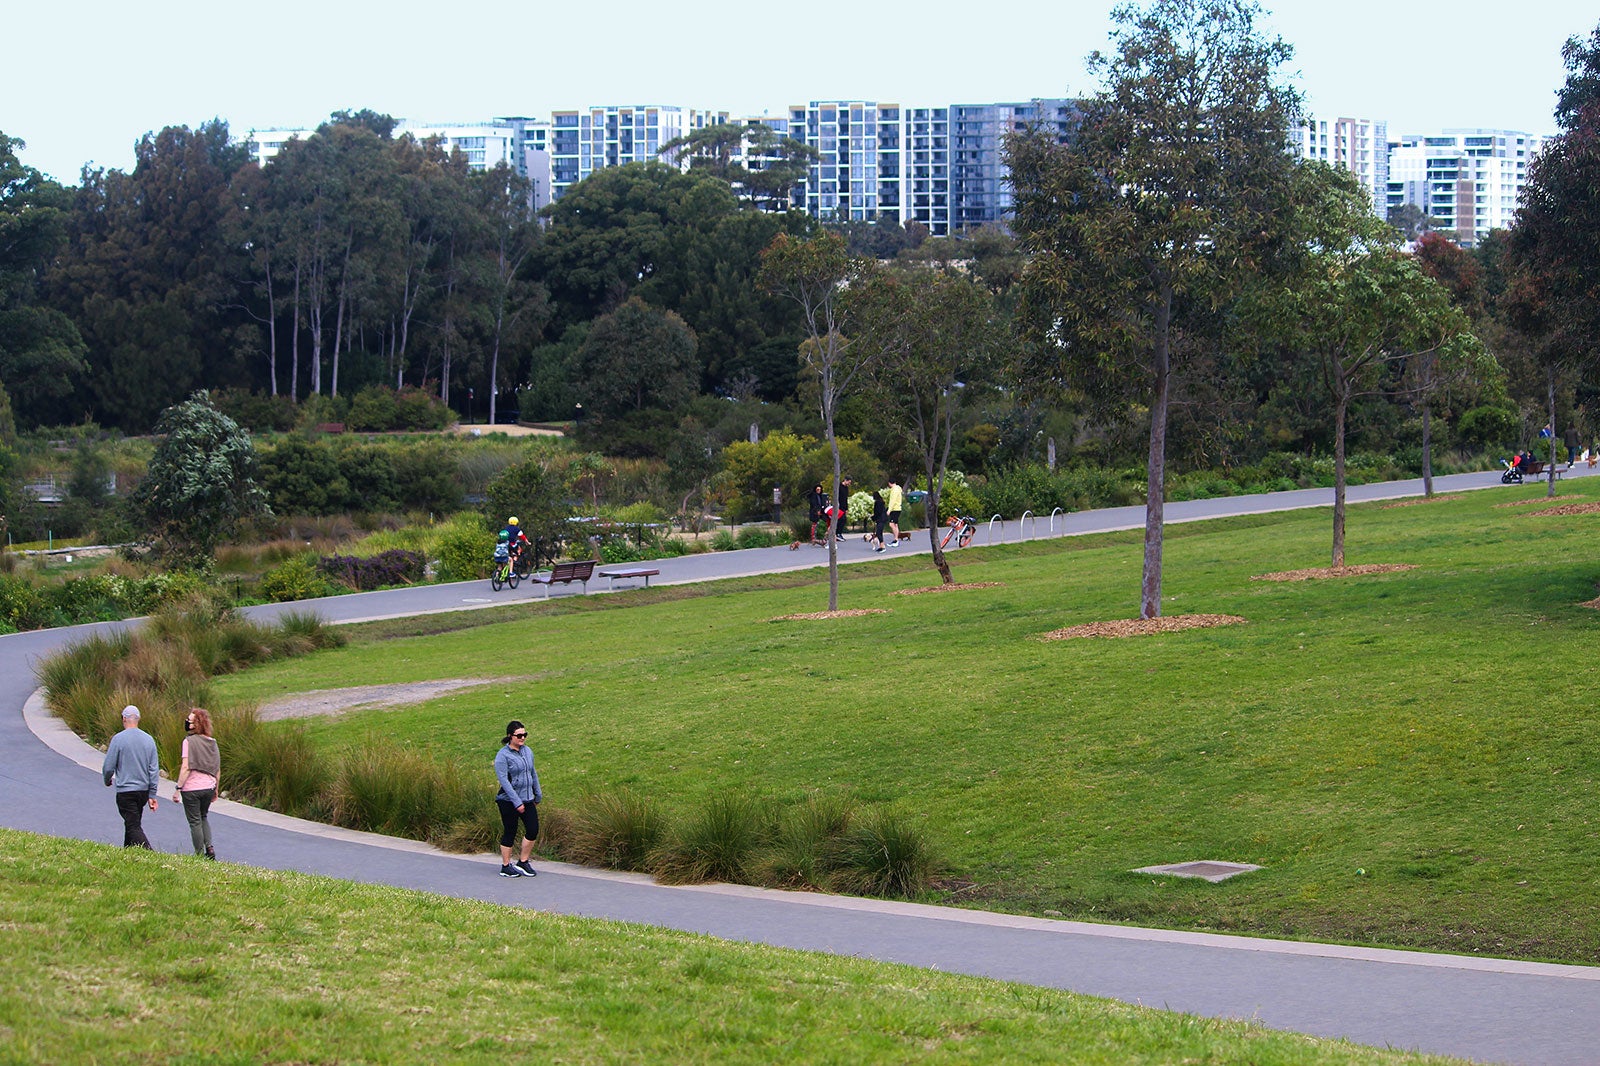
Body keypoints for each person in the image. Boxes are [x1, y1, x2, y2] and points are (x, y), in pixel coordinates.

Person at [102, 705, 159, 849]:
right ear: (138, 719)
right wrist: (152, 794)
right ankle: (128, 851)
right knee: (132, 822)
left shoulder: (118, 739)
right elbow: (153, 769)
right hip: (142, 791)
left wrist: (107, 779)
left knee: (133, 825)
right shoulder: (149, 740)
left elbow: (108, 766)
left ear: (124, 719)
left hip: (126, 791)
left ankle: (149, 853)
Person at [494, 720, 542, 878]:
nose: (522, 738)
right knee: (510, 831)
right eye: (519, 735)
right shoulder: (503, 756)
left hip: (527, 798)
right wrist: (517, 802)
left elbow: (532, 772)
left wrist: (537, 793)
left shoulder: (527, 751)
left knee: (533, 829)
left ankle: (523, 861)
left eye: (524, 735)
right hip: (508, 800)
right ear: (510, 736)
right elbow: (504, 782)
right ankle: (506, 866)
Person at [174, 707, 220, 860]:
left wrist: (178, 788)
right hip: (209, 787)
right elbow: (217, 769)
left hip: (192, 789)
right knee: (203, 816)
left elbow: (186, 767)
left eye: (189, 720)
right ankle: (210, 847)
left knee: (194, 821)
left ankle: (199, 855)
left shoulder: (188, 742)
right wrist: (216, 790)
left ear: (196, 724)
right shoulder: (212, 742)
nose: (187, 722)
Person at [883, 479, 904, 546]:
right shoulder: (897, 488)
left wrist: (889, 510)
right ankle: (896, 539)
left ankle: (896, 540)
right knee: (895, 525)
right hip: (897, 509)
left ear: (889, 483)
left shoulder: (894, 490)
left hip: (895, 509)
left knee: (891, 525)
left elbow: (893, 501)